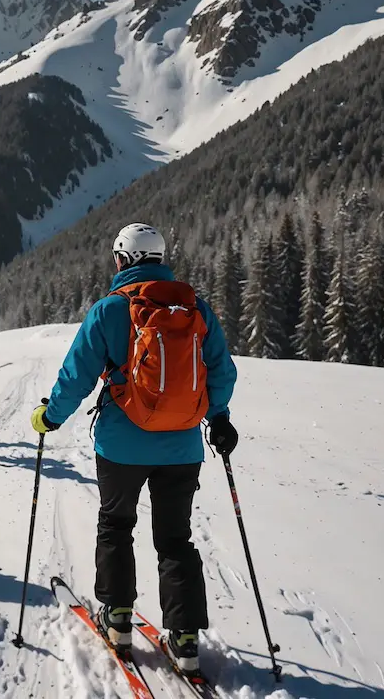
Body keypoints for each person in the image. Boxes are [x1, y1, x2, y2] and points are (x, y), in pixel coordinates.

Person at [30, 223, 238, 677]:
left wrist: (50, 416)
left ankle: (118, 620)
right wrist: (218, 418)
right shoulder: (196, 309)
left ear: (122, 260)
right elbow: (221, 371)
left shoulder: (109, 310)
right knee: (175, 539)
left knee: (116, 523)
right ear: (161, 260)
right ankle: (184, 638)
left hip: (121, 446)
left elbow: (77, 375)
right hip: (182, 446)